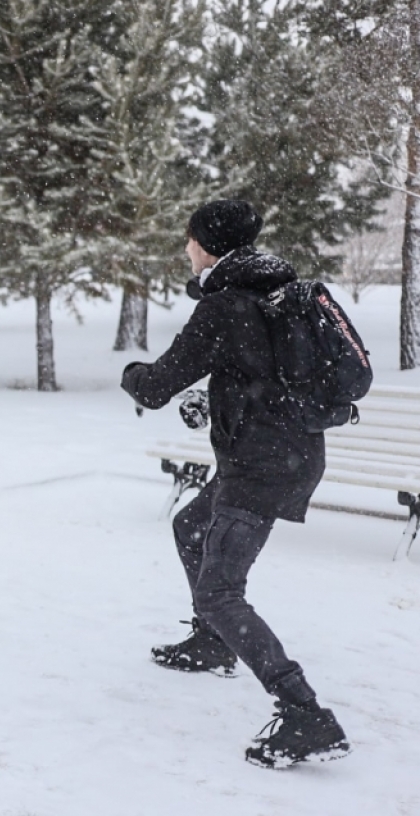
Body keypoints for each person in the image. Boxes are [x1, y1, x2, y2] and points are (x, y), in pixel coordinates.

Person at [120, 200, 350, 769]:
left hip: (261, 466)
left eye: (190, 239)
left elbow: (155, 387)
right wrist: (213, 400)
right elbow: (262, 375)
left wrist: (131, 374)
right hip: (287, 451)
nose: (186, 249)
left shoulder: (225, 307)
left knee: (220, 591)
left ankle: (306, 715)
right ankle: (212, 641)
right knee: (190, 524)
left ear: (207, 245)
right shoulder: (279, 293)